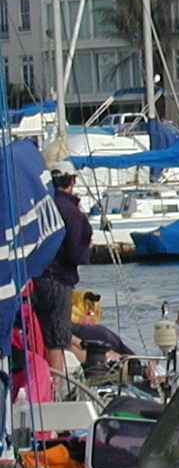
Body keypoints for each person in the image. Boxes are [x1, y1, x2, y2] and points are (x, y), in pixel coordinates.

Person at [32, 159, 93, 385]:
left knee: (41, 332)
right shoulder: (72, 213)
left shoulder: (42, 207)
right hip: (58, 281)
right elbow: (76, 254)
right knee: (56, 341)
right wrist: (88, 248)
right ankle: (54, 392)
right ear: (72, 181)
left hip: (37, 279)